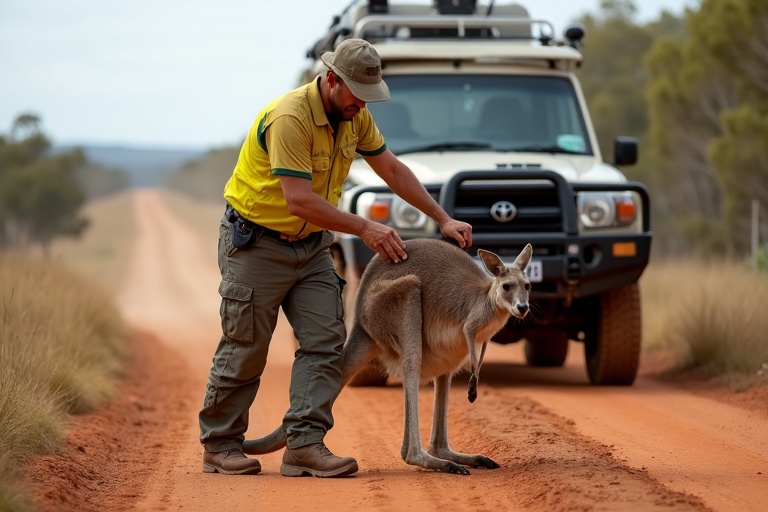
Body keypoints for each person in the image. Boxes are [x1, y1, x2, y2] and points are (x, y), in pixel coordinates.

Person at [199, 38, 473, 478]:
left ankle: (304, 445)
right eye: (357, 95)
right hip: (256, 244)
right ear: (331, 80)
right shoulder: (291, 118)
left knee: (326, 342)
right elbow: (299, 200)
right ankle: (221, 444)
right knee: (247, 345)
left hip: (310, 247)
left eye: (369, 97)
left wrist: (442, 218)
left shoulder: (354, 117)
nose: (362, 106)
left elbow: (393, 170)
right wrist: (365, 227)